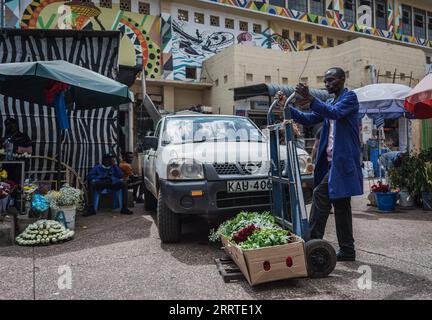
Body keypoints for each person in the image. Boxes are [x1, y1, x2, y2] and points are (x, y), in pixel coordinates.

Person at [279, 67, 363, 261]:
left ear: (342, 79)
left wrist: (311, 99)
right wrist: (286, 106)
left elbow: (334, 113)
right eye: (325, 81)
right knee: (341, 206)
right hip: (331, 163)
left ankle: (312, 242)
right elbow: (308, 119)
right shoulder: (330, 101)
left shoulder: (349, 98)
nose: (327, 84)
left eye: (331, 80)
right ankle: (348, 250)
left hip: (342, 162)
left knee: (319, 194)